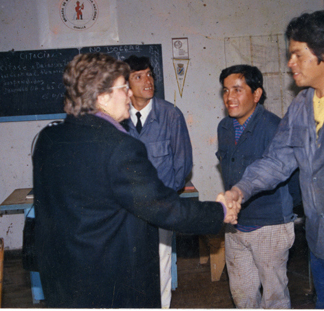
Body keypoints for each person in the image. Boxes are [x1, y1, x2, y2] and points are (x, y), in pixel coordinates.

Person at [32, 53, 239, 308]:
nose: (130, 95)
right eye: (124, 88)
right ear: (103, 96)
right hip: (111, 284)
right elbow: (164, 208)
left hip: (63, 282)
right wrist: (219, 211)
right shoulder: (120, 147)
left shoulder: (48, 140)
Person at [223, 10, 324, 309]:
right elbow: (277, 160)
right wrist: (240, 190)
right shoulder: (302, 105)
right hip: (320, 244)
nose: (290, 63)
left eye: (297, 55)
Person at [217, 64, 300, 308]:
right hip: (236, 227)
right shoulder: (224, 128)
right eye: (225, 90)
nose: (229, 97)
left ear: (257, 94)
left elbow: (292, 181)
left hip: (270, 227)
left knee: (274, 298)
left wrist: (285, 213)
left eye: (237, 90)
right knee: (242, 295)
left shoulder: (276, 128)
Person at [123, 55, 193, 308]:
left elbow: (182, 164)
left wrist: (165, 198)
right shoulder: (117, 118)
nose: (148, 81)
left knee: (161, 263)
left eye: (150, 74)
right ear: (126, 86)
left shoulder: (171, 115)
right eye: (139, 76)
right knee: (129, 265)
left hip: (160, 206)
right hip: (126, 209)